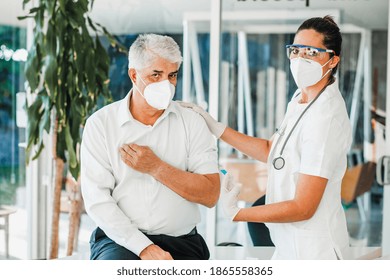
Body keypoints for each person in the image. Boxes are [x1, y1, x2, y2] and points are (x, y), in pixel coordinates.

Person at [181, 16, 351, 260]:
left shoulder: (326, 117)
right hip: (287, 245)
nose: (300, 59)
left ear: (333, 60)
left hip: (315, 252)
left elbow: (304, 207)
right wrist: (216, 129)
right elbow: (273, 150)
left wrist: (239, 214)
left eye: (312, 53)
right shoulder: (300, 99)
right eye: (296, 50)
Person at [80, 34, 220, 260]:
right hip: (119, 243)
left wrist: (156, 168)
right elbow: (97, 201)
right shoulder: (101, 124)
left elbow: (210, 194)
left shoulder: (192, 122)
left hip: (183, 242)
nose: (166, 83)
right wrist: (144, 248)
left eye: (172, 75)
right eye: (156, 75)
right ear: (134, 75)